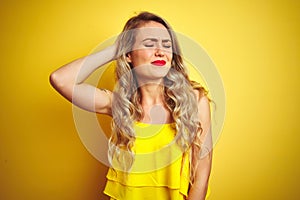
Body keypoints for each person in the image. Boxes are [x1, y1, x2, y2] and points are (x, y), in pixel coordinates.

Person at [50, 11, 212, 200]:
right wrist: (114, 50)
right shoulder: (119, 105)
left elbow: (202, 176)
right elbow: (60, 80)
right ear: (128, 54)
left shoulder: (194, 101)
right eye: (149, 44)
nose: (160, 51)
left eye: (166, 45)